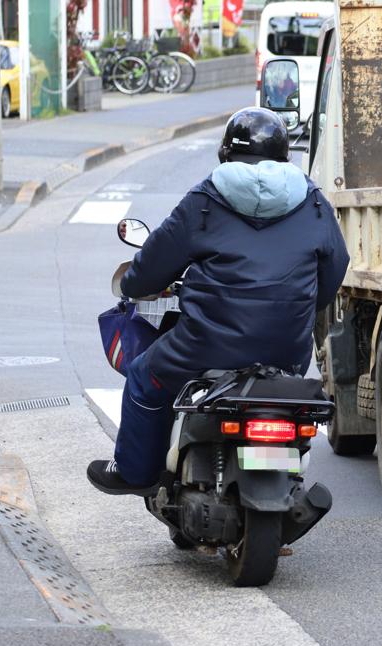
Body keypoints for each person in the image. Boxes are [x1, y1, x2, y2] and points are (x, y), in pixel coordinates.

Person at [87, 107, 350, 495]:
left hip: (203, 349)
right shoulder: (312, 202)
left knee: (144, 378)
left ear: (226, 153)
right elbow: (336, 267)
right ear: (284, 155)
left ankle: (134, 473)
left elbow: (154, 264)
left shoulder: (206, 199)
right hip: (286, 351)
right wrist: (303, 310)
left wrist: (133, 284)